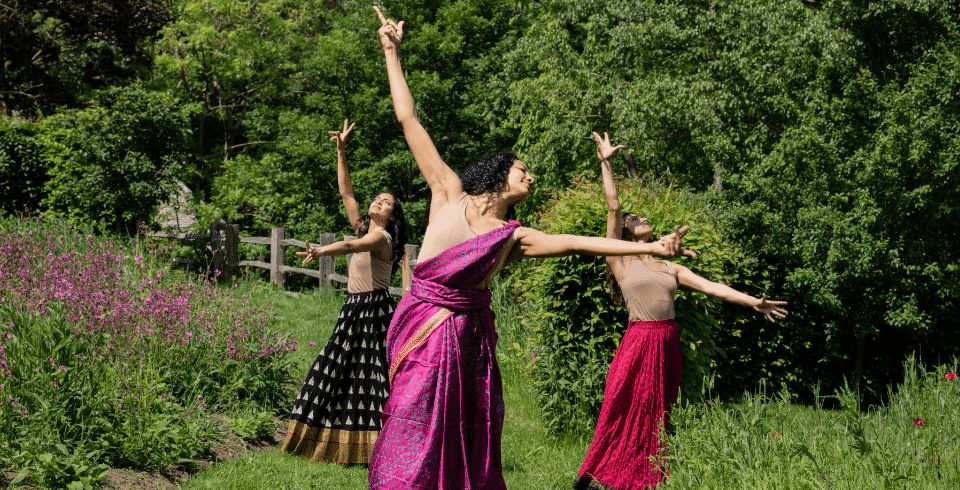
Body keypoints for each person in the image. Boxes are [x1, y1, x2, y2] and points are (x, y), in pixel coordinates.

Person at [368, 9, 693, 489]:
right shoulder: (449, 192)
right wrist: (392, 52)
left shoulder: (513, 236)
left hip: (467, 342)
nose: (532, 177)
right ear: (501, 173)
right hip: (424, 328)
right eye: (524, 171)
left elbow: (578, 243)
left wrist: (661, 253)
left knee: (464, 430)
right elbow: (407, 117)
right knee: (411, 418)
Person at [574, 132, 788, 489]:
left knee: (656, 410)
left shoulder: (669, 267)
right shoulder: (619, 259)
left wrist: (753, 301)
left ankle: (647, 473)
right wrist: (606, 163)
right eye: (635, 218)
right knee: (623, 405)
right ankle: (601, 473)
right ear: (625, 233)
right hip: (639, 339)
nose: (640, 218)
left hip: (667, 340)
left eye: (640, 216)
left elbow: (710, 287)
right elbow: (613, 206)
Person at [280, 119, 408, 464]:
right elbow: (347, 192)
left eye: (387, 204)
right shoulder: (365, 225)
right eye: (378, 199)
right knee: (338, 369)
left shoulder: (381, 237)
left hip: (375, 310)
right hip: (355, 307)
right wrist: (340, 150)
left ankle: (392, 446)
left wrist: (322, 252)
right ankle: (329, 441)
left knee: (373, 377)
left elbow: (353, 245)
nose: (380, 203)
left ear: (392, 217)